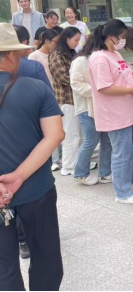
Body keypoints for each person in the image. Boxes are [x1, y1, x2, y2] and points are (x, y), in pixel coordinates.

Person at [0, 23, 65, 291]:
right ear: (10, 55)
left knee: (3, 267)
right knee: (46, 256)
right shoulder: (36, 88)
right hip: (36, 188)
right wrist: (18, 176)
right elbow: (55, 135)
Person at [88, 20, 133, 205]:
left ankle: (128, 179)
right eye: (121, 37)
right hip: (114, 112)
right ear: (111, 36)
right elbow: (104, 87)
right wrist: (131, 90)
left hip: (129, 109)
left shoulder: (115, 54)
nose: (123, 41)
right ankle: (122, 192)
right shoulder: (99, 58)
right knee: (122, 151)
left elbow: (125, 77)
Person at [71, 38, 112, 187]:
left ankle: (105, 173)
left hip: (103, 107)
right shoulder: (80, 61)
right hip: (87, 108)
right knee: (91, 140)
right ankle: (80, 173)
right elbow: (76, 83)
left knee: (107, 140)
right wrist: (97, 90)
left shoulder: (104, 59)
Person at [49, 28, 83, 178]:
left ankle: (78, 162)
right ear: (66, 38)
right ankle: (68, 166)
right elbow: (64, 78)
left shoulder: (71, 53)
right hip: (66, 100)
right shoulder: (56, 55)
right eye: (75, 40)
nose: (77, 43)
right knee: (71, 135)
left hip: (76, 99)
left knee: (79, 135)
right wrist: (80, 80)